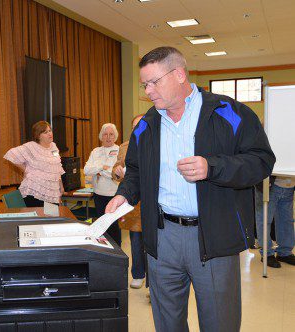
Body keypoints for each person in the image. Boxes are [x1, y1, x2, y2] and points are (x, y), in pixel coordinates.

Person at [106, 47, 275, 331]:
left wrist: (212, 168)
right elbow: (134, 169)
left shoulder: (229, 113)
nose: (148, 91)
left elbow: (261, 161)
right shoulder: (146, 124)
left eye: (153, 82)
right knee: (167, 322)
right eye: (144, 84)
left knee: (219, 322)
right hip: (162, 237)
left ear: (179, 74)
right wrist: (124, 193)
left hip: (214, 236)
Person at [112, 115, 146, 289]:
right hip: (133, 203)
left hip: (153, 201)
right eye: (133, 126)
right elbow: (116, 170)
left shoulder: (156, 143)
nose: (136, 129)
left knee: (155, 242)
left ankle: (154, 280)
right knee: (136, 239)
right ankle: (138, 274)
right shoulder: (125, 146)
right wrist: (117, 171)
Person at [4, 121, 65, 207]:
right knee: (43, 217)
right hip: (34, 190)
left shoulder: (54, 147)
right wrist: (26, 170)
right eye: (45, 132)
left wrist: (60, 187)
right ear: (38, 135)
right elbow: (11, 154)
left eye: (50, 130)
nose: (50, 134)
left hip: (51, 190)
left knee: (53, 215)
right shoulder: (31, 146)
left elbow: (56, 167)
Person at [84, 123, 121, 245]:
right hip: (98, 194)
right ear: (101, 136)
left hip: (114, 195)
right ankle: (105, 250)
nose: (108, 137)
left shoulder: (119, 150)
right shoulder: (96, 151)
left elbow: (116, 174)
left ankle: (117, 252)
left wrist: (100, 171)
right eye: (105, 134)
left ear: (115, 136)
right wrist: (102, 167)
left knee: (113, 226)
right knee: (102, 226)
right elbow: (86, 170)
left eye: (111, 134)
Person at [255, 176, 295, 267]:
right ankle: (267, 253)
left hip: (289, 185)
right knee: (265, 219)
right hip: (268, 183)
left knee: (286, 221)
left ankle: (285, 253)